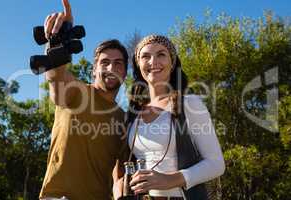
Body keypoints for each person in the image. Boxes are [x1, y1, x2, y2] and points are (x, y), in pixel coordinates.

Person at [114, 35, 225, 200]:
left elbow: (216, 164)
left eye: (161, 54)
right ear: (138, 65)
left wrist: (171, 180)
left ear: (172, 63)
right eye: (145, 56)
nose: (153, 62)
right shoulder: (133, 114)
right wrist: (118, 186)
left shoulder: (189, 104)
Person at [39, 0, 129, 199]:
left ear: (125, 72)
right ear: (93, 69)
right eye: (104, 63)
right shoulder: (77, 92)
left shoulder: (124, 120)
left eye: (118, 63)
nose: (111, 68)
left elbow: (120, 173)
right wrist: (56, 42)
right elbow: (56, 78)